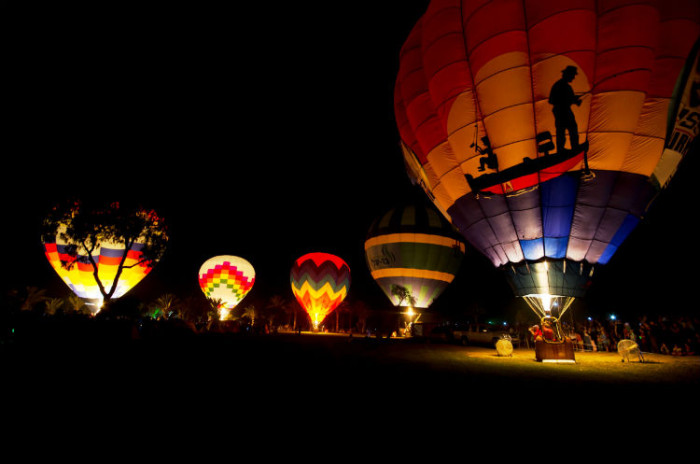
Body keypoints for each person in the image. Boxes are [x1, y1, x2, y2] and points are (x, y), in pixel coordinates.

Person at [549, 65, 582, 153]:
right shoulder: (563, 86)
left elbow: (554, 100)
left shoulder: (560, 85)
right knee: (569, 129)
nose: (573, 77)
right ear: (569, 74)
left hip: (561, 111)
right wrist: (572, 100)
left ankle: (562, 149)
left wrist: (573, 100)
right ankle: (571, 148)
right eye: (573, 75)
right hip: (563, 112)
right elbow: (552, 100)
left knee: (563, 131)